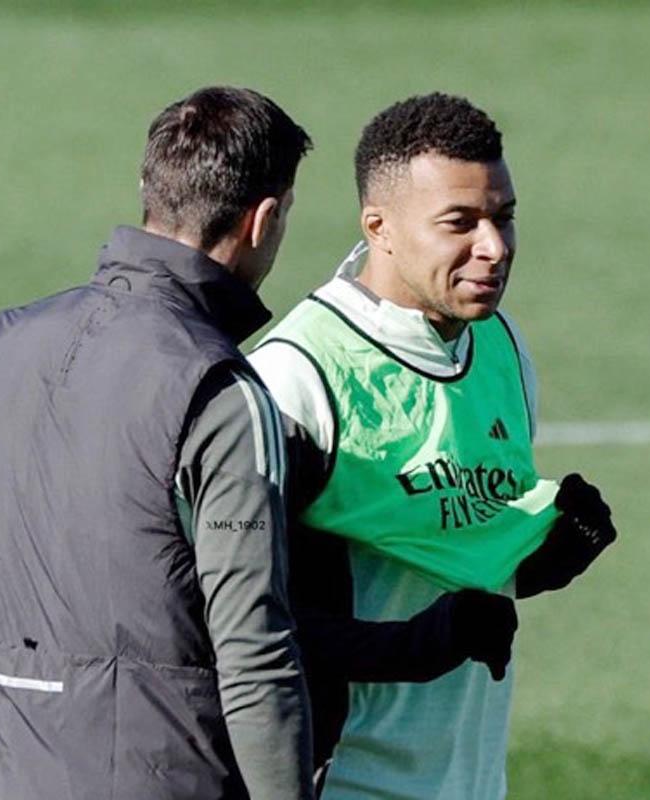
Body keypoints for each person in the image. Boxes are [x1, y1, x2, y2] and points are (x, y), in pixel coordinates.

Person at [249, 93, 618, 799]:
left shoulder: (499, 346)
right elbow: (238, 618)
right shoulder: (297, 378)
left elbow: (439, 543)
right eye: (461, 223)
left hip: (473, 782)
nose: (495, 247)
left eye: (504, 217)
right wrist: (415, 647)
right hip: (345, 783)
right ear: (379, 228)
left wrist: (538, 559)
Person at [0, 86, 316, 800]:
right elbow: (254, 655)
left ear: (151, 190)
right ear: (263, 219)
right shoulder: (221, 389)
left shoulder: (4, 344)